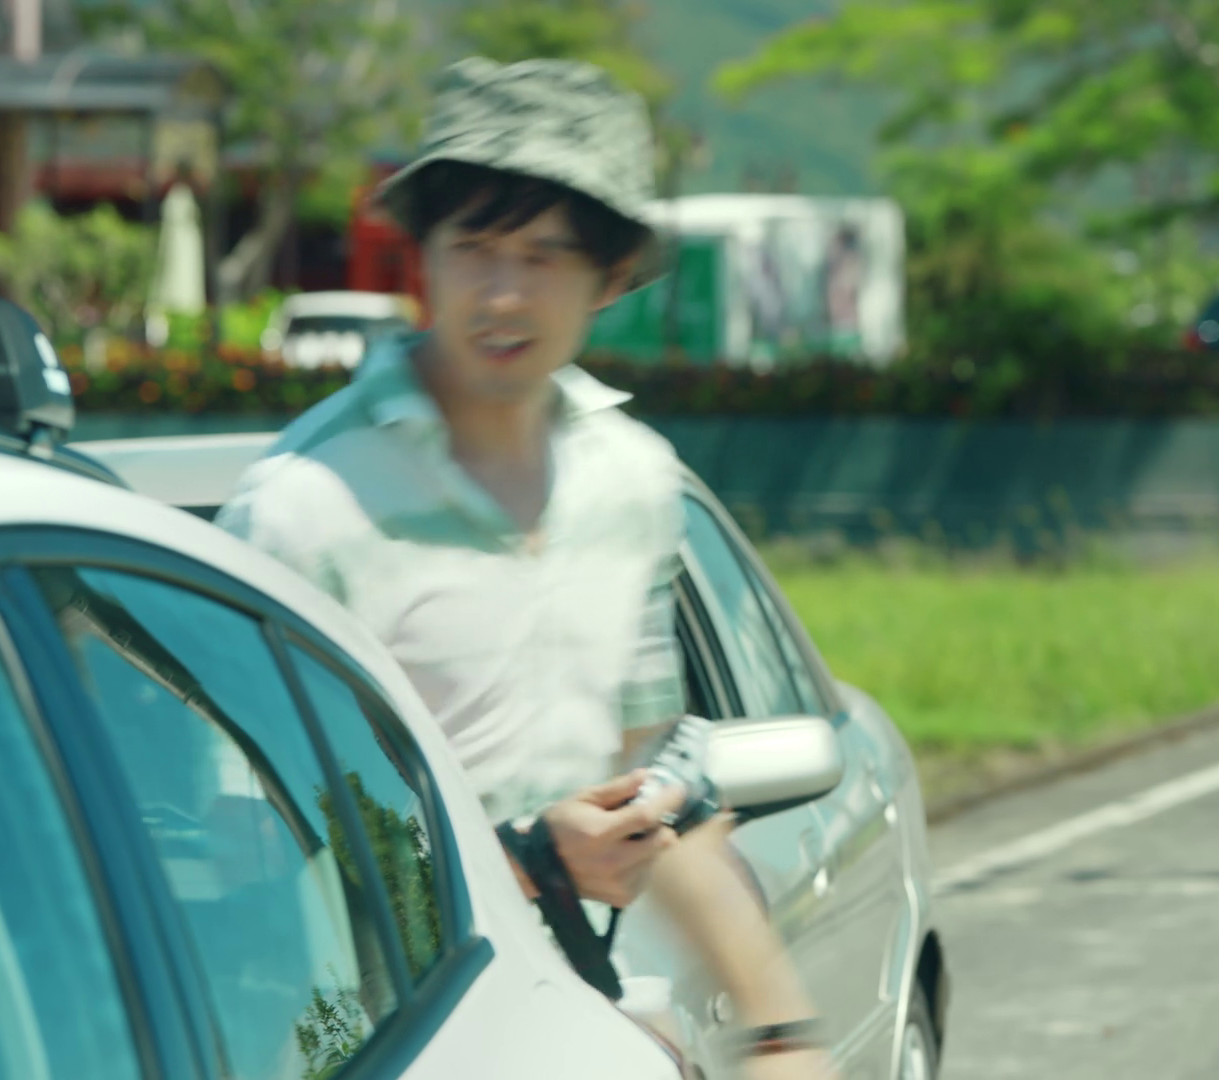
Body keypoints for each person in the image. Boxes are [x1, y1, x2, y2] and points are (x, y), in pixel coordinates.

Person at [216, 57, 832, 1078]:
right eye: (474, 247)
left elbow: (655, 800)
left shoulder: (633, 483)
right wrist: (525, 861)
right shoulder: (304, 509)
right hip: (380, 1041)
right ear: (423, 257)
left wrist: (780, 1034)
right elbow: (255, 859)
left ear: (611, 278)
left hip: (595, 1030)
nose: (503, 294)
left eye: (545, 256)